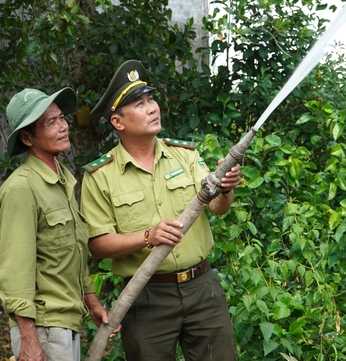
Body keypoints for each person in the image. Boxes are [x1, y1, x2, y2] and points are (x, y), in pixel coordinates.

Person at [81, 60, 241, 360]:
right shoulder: (100, 175)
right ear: (118, 122)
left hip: (201, 287)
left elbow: (218, 207)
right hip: (145, 296)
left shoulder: (185, 155)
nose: (152, 108)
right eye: (140, 105)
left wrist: (226, 187)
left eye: (151, 99)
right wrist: (147, 236)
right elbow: (98, 245)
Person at [0, 87, 118, 361]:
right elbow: (15, 270)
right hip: (43, 328)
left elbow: (72, 254)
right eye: (51, 122)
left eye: (61, 118)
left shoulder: (62, 180)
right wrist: (29, 339)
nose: (64, 127)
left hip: (65, 325)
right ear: (27, 137)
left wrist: (92, 301)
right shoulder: (21, 187)